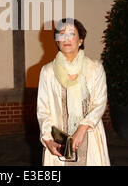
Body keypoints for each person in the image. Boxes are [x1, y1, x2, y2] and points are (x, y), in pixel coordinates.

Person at [37, 18, 110, 166]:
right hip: (59, 142)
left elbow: (99, 103)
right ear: (57, 41)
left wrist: (82, 128)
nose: (66, 38)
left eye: (72, 34)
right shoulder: (48, 71)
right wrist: (48, 140)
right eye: (61, 34)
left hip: (90, 136)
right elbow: (43, 110)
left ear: (80, 40)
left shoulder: (95, 68)